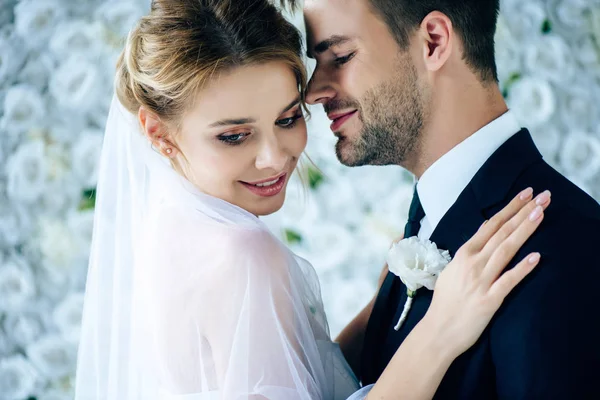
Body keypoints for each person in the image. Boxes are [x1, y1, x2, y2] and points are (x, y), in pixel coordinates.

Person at [75, 1, 549, 398]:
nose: (273, 158)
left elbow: (288, 376)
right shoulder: (240, 255)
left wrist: (383, 305)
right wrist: (441, 328)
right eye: (234, 136)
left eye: (286, 119)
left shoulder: (170, 226)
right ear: (158, 134)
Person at [302, 0, 600, 397]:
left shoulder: (565, 248)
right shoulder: (423, 224)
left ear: (433, 41)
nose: (313, 92)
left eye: (340, 56)